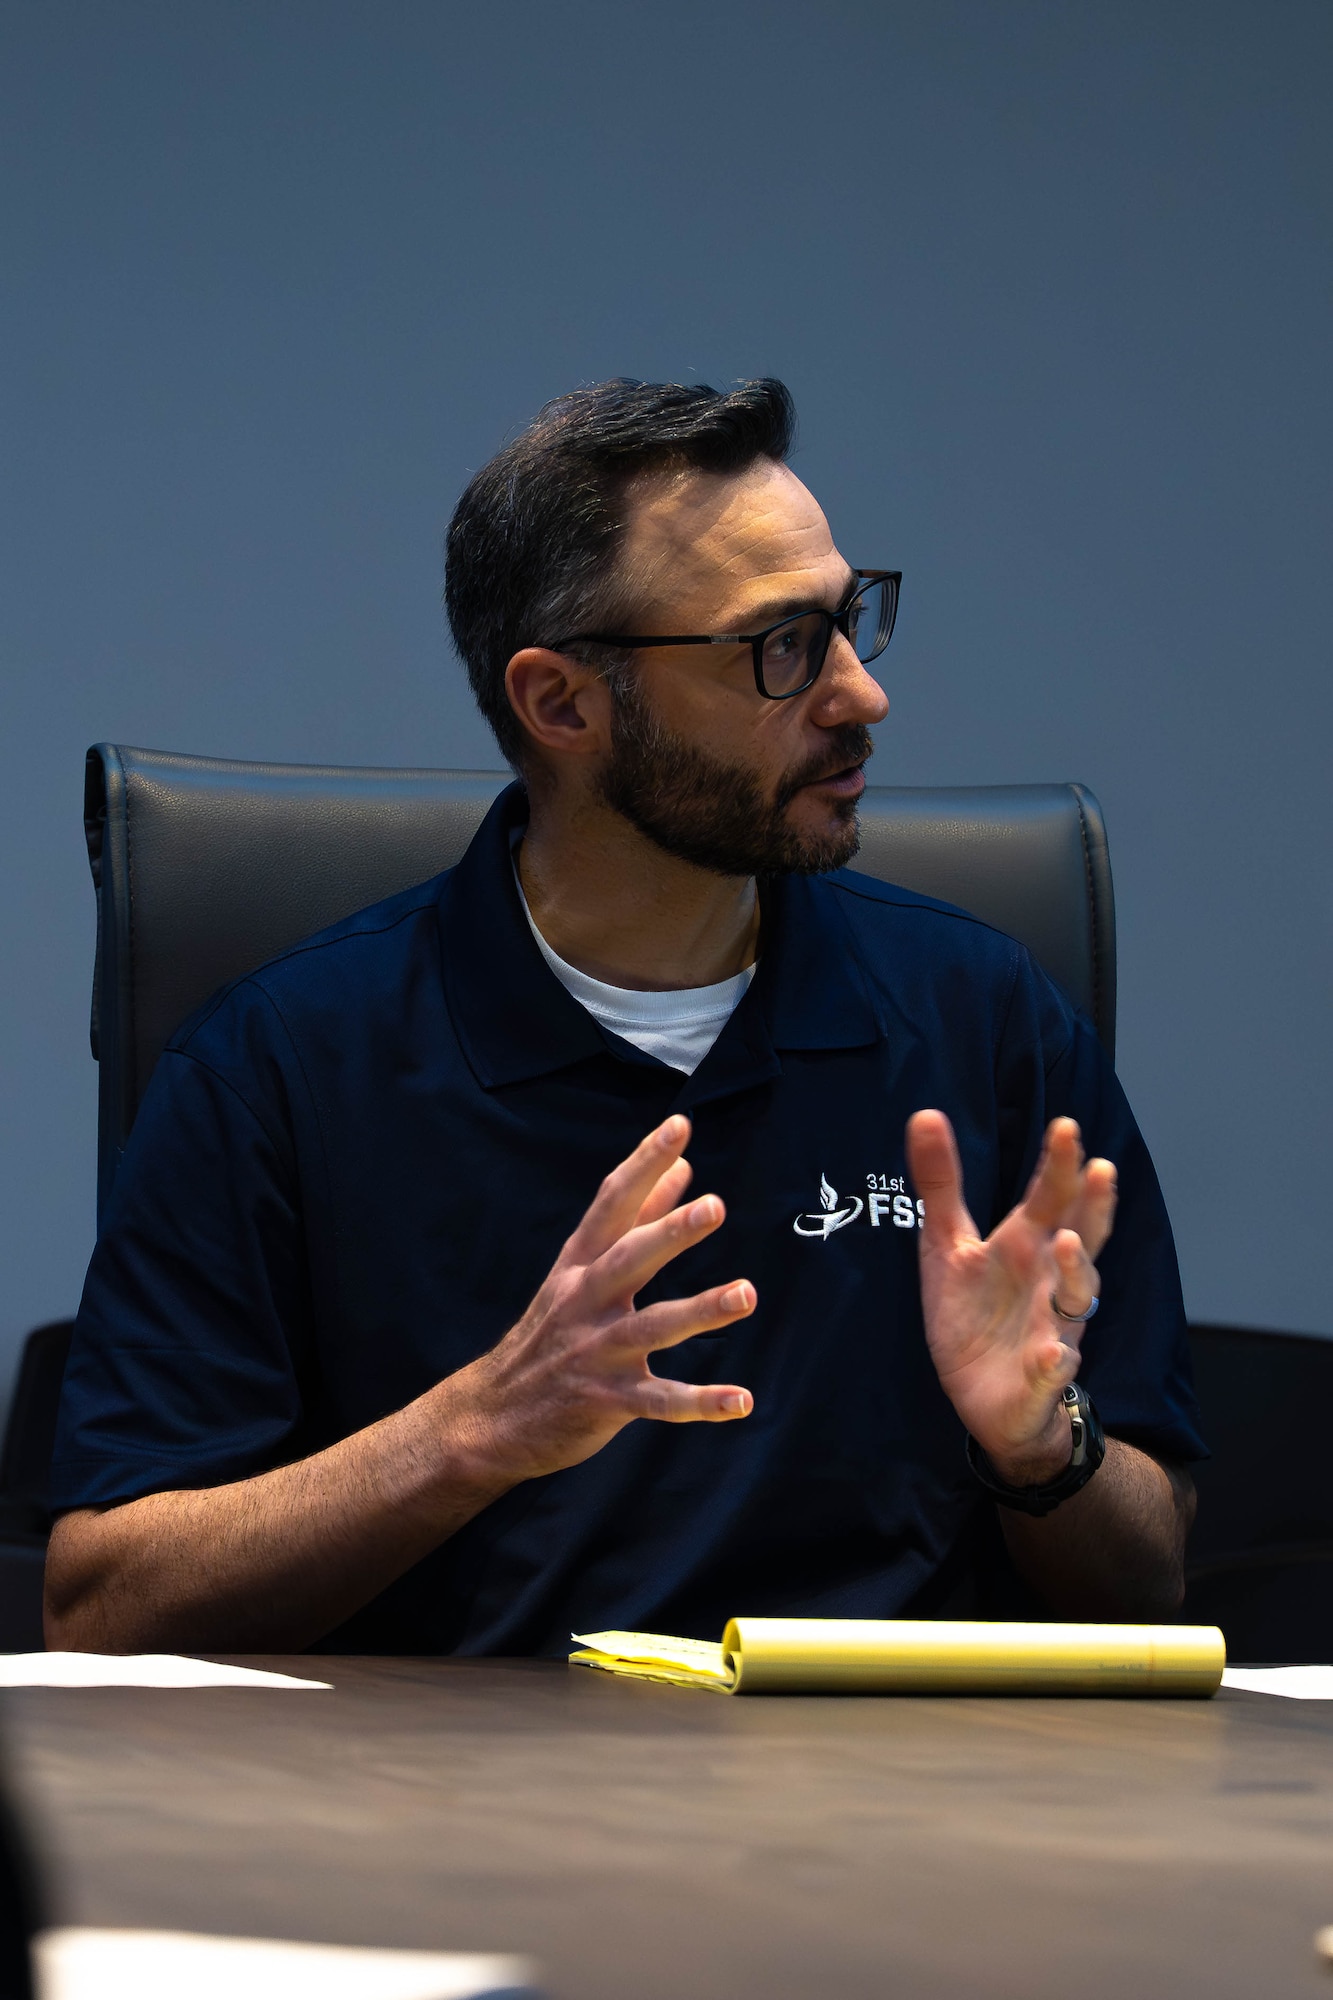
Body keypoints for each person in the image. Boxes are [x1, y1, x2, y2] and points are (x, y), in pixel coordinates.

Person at [45, 378, 1202, 1655]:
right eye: (780, 646)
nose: (860, 695)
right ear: (561, 704)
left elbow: (1146, 1588)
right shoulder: (280, 1062)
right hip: (449, 1816)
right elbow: (102, 1603)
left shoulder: (982, 1019)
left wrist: (1041, 1448)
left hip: (899, 1809)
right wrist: (471, 1429)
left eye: (848, 620)